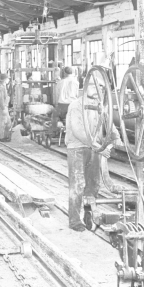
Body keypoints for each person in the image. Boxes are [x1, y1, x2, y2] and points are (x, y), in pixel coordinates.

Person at [65, 81, 119, 232]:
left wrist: (117, 137)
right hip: (77, 148)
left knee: (93, 184)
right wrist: (98, 147)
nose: (97, 90)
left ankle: (88, 214)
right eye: (93, 86)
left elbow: (109, 122)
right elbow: (78, 131)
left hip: (94, 149)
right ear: (84, 88)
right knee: (78, 185)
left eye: (100, 87)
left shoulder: (99, 105)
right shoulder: (76, 106)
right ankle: (75, 221)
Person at [53, 66, 80, 133]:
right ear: (72, 73)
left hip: (62, 107)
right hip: (73, 106)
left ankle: (55, 132)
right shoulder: (76, 83)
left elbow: (57, 95)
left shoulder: (60, 83)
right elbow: (77, 95)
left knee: (54, 116)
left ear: (64, 73)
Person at [0, 72, 13, 142]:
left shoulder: (4, 87)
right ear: (5, 80)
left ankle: (6, 136)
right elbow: (0, 99)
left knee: (8, 124)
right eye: (8, 79)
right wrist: (3, 108)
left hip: (5, 107)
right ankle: (1, 137)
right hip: (3, 108)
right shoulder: (1, 88)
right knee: (2, 123)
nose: (8, 80)